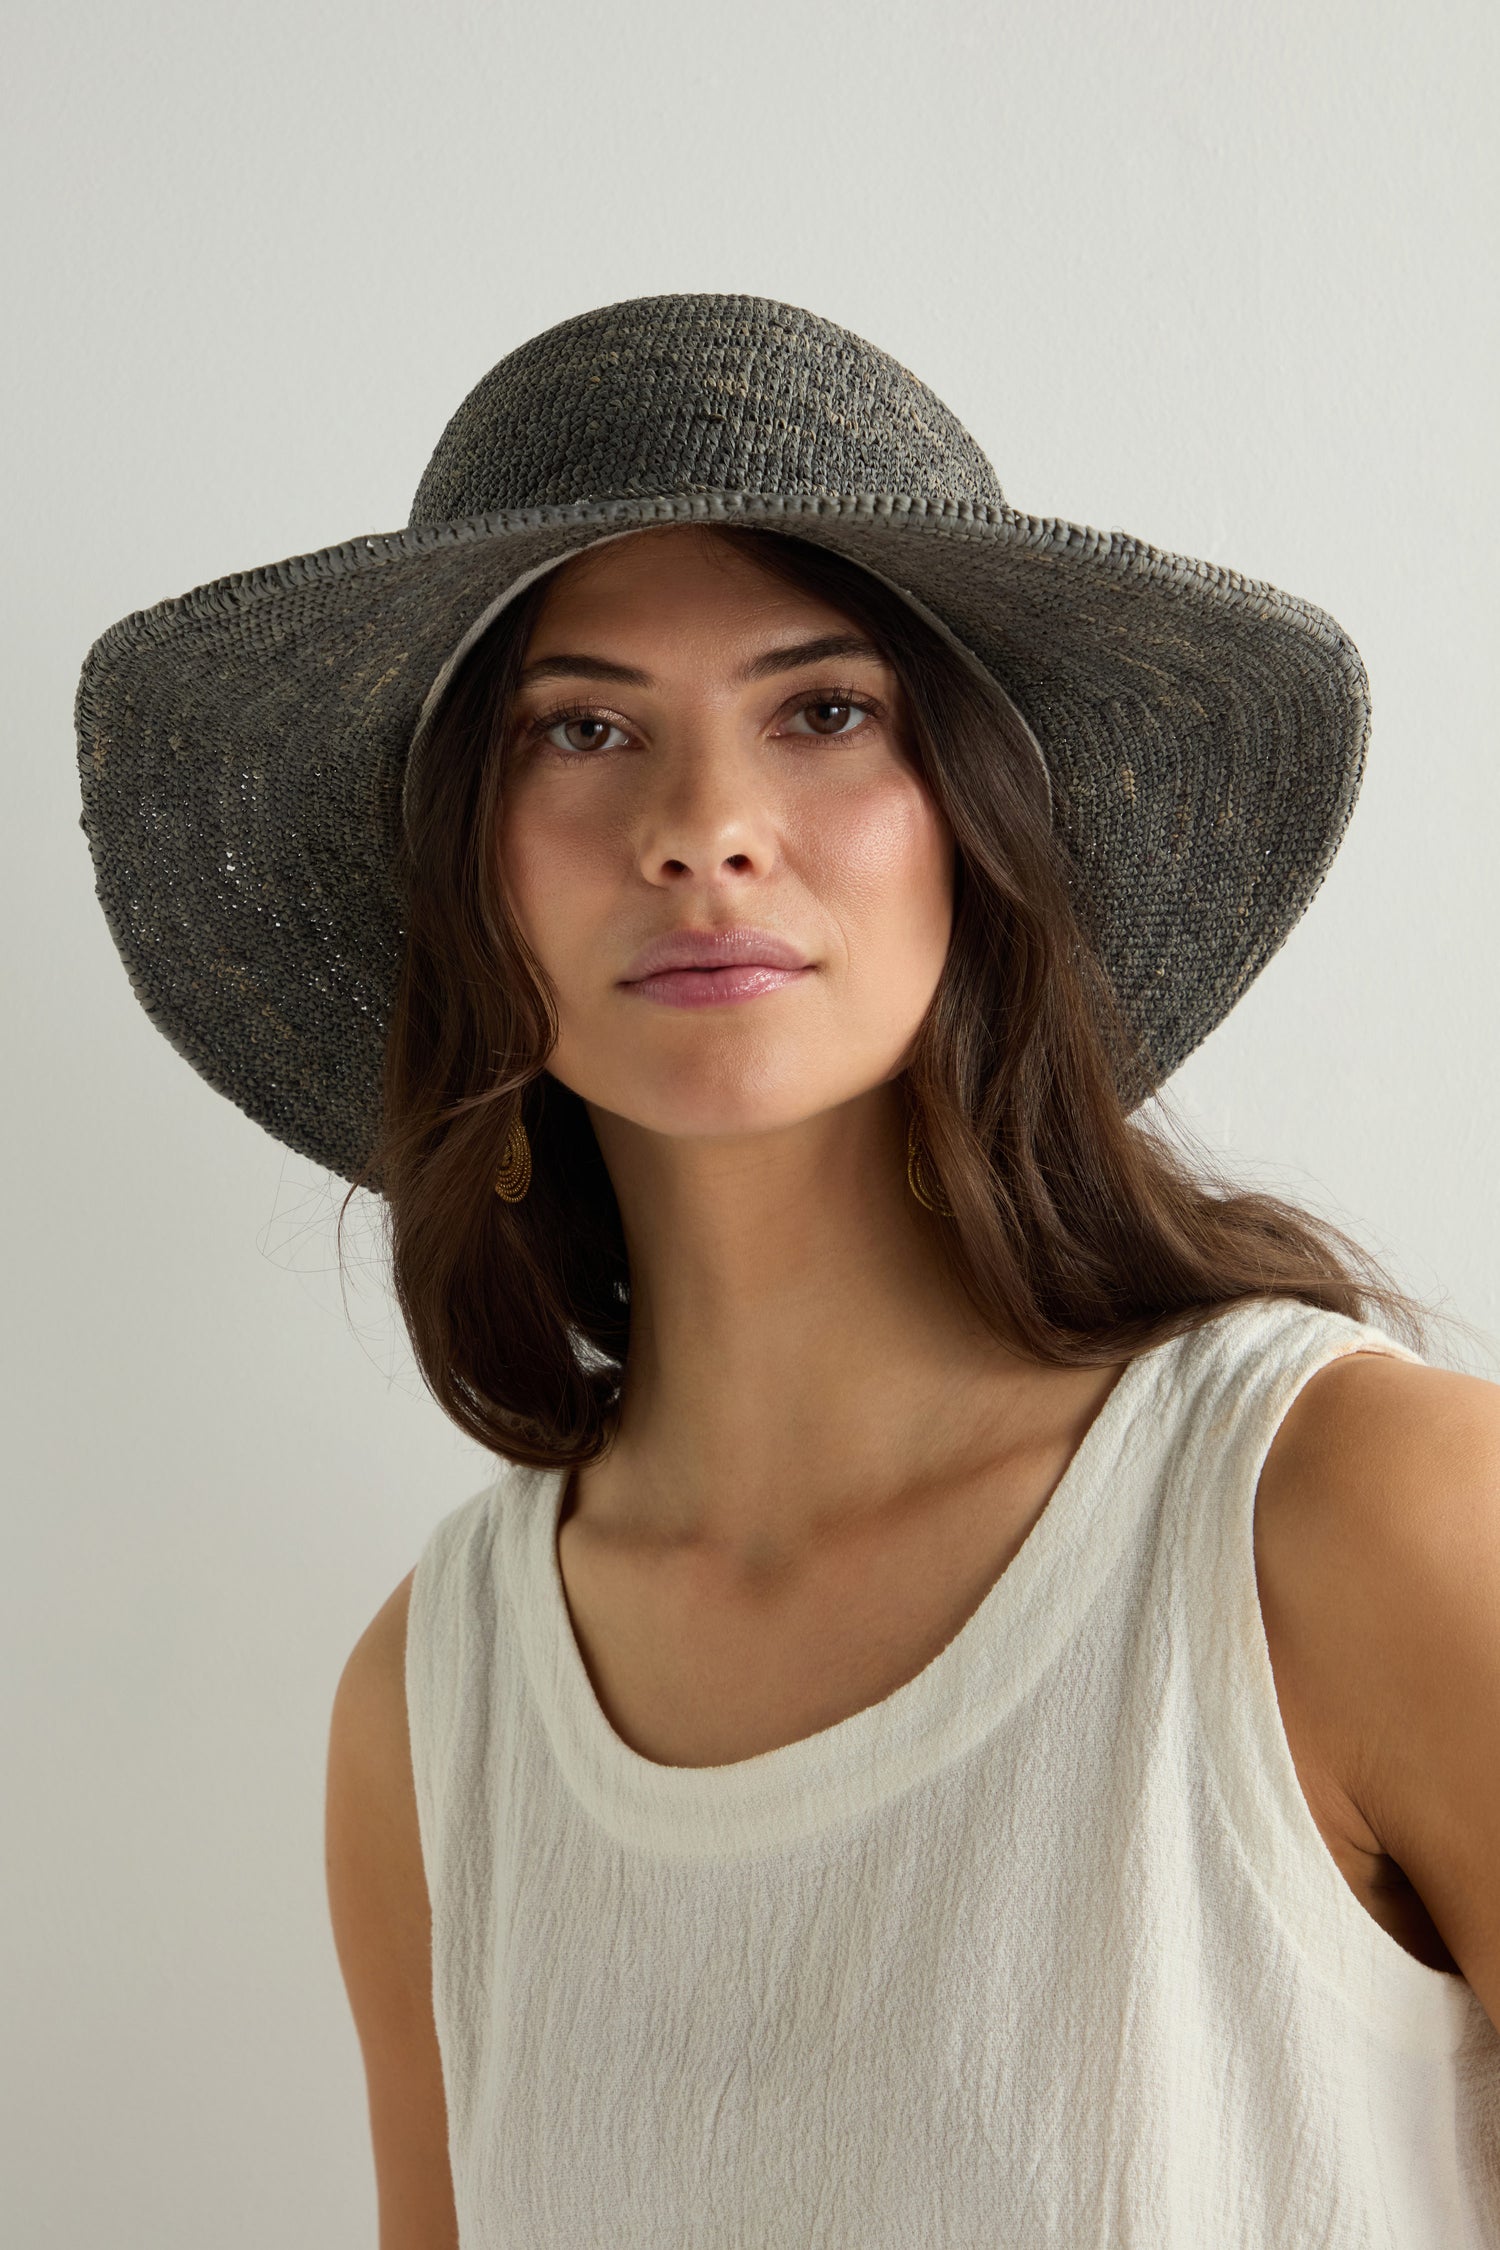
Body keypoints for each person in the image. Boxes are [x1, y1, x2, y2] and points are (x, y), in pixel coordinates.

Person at [76, 296, 1500, 2246]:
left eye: (822, 710)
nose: (705, 831)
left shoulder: (1359, 1523)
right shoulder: (438, 1710)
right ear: (464, 871)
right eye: (583, 729)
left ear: (979, 827)